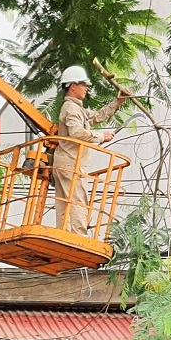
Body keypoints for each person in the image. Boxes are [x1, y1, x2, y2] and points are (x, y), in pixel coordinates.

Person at [52, 65, 128, 236]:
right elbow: (77, 132)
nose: (86, 88)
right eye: (83, 85)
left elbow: (96, 116)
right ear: (73, 86)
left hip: (66, 162)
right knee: (78, 200)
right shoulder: (71, 108)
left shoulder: (76, 108)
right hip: (71, 163)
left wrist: (117, 103)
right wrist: (101, 136)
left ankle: (63, 235)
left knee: (65, 202)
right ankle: (79, 237)